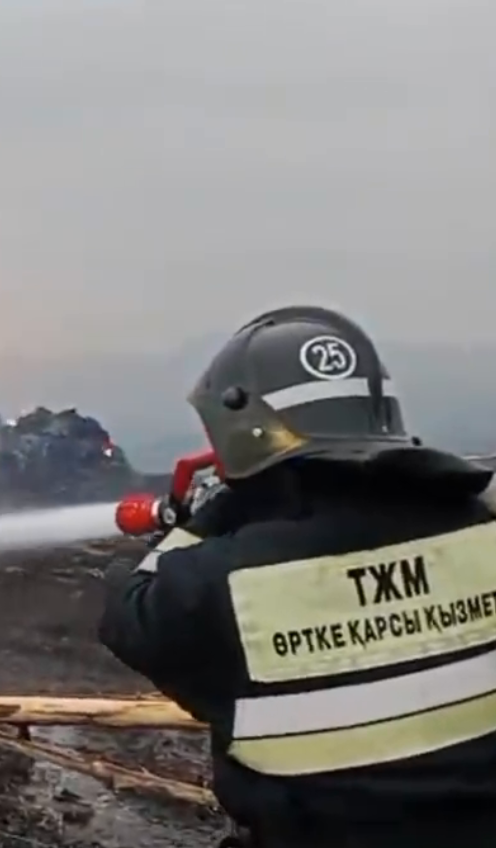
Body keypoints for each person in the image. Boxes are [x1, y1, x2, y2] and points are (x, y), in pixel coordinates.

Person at [98, 305, 496, 848]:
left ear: (239, 425)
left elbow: (128, 613)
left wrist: (214, 511)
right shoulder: (483, 532)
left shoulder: (221, 582)